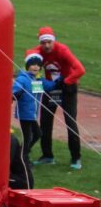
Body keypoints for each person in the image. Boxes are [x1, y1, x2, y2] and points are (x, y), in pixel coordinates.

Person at [34, 27, 85, 170]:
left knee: (70, 122)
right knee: (45, 121)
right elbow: (32, 67)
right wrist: (39, 87)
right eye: (43, 43)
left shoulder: (62, 50)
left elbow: (80, 70)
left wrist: (66, 81)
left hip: (67, 89)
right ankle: (47, 156)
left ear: (54, 41)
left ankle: (76, 157)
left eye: (49, 42)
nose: (46, 46)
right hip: (51, 89)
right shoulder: (38, 52)